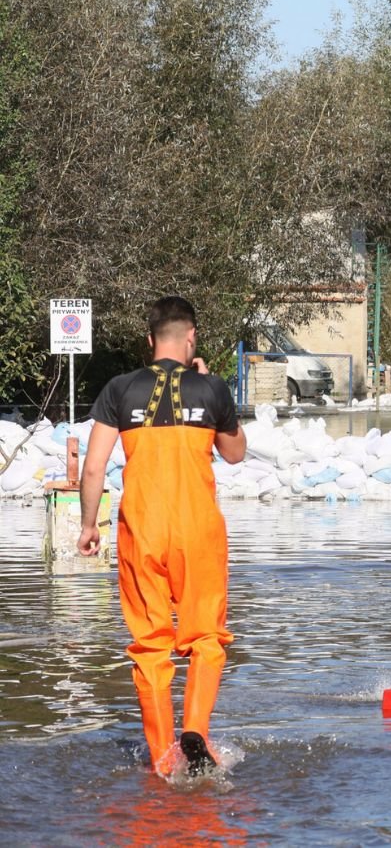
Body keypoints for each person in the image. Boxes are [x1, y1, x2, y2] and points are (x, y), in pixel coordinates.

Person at [77, 296, 246, 776]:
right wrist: (209, 386)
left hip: (142, 530)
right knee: (206, 638)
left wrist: (90, 525)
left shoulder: (119, 389)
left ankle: (163, 757)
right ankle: (196, 730)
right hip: (198, 532)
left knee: (151, 644)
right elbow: (235, 454)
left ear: (150, 341)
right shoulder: (212, 388)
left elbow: (93, 469)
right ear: (190, 337)